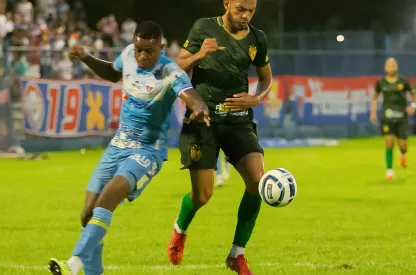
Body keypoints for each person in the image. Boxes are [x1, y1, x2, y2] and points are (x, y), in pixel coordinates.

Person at [48, 21, 210, 275]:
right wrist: (85, 57)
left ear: (161, 47)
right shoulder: (127, 55)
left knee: (108, 199)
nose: (142, 56)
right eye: (139, 50)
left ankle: (73, 262)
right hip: (117, 145)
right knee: (87, 214)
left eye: (149, 51)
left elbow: (190, 94)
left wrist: (199, 108)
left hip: (147, 151)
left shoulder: (170, 71)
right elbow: (114, 73)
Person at [167, 0, 273, 274]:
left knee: (258, 182)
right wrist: (199, 55)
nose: (246, 15)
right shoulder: (203, 28)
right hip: (203, 120)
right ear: (226, 3)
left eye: (251, 10)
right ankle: (180, 229)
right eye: (240, 9)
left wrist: (256, 98)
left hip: (238, 121)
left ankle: (237, 254)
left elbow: (265, 78)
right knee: (202, 195)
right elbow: (177, 67)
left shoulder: (257, 38)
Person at [370, 58, 416, 180]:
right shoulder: (381, 83)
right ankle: (389, 171)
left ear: (397, 67)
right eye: (389, 66)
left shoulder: (404, 81)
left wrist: (413, 105)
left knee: (403, 145)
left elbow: (413, 94)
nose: (391, 68)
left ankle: (402, 154)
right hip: (387, 117)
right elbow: (375, 97)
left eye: (393, 65)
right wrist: (373, 113)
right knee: (389, 142)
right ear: (385, 68)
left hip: (401, 117)